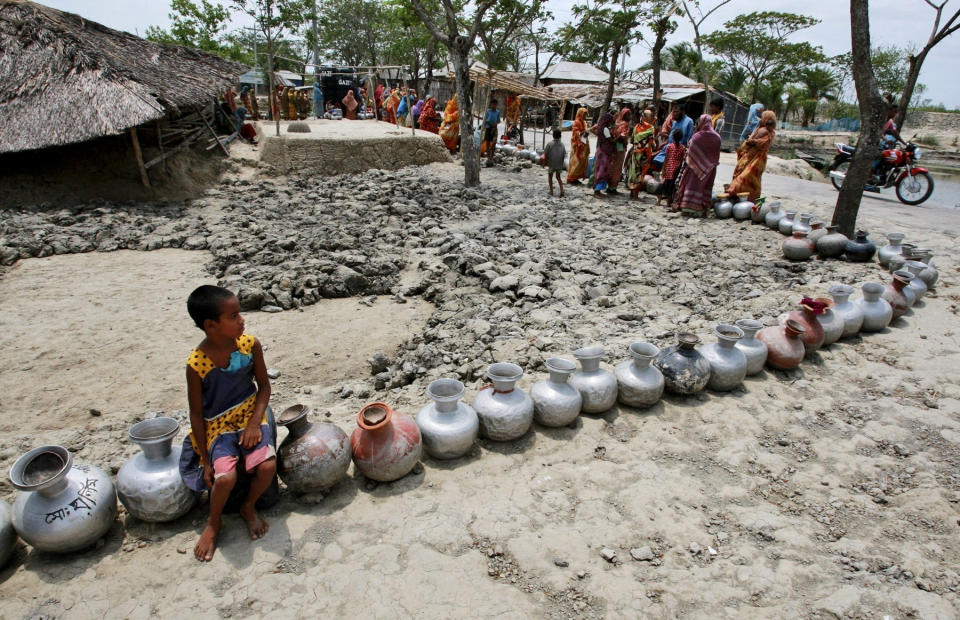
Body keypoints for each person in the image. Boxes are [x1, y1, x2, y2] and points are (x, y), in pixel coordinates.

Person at [180, 286, 277, 562]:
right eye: (233, 316)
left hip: (250, 416)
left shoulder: (250, 345)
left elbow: (264, 388)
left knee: (267, 465)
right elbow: (197, 415)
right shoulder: (197, 365)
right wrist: (205, 460)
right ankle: (213, 522)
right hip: (218, 427)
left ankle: (248, 507)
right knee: (225, 478)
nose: (241, 320)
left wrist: (254, 424)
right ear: (211, 325)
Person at [674, 114, 722, 217]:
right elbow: (716, 155)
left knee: (693, 186)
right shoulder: (717, 137)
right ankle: (702, 209)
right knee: (704, 188)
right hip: (709, 169)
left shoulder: (697, 137)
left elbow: (690, 152)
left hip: (694, 167)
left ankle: (688, 208)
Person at [727, 110, 777, 200]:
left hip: (754, 157)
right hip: (760, 159)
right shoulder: (771, 132)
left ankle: (735, 192)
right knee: (753, 179)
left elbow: (754, 142)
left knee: (744, 175)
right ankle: (750, 197)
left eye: (762, 117)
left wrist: (750, 141)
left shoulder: (763, 130)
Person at [626, 107, 657, 200]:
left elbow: (631, 140)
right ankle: (636, 194)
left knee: (633, 172)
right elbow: (652, 142)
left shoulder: (636, 127)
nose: (652, 117)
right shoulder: (651, 128)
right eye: (651, 116)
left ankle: (632, 192)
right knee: (641, 173)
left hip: (635, 153)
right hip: (644, 154)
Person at [657, 128, 686, 208]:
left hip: (668, 168)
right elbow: (681, 159)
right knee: (671, 187)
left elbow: (666, 158)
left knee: (662, 185)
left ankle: (659, 201)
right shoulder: (682, 148)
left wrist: (663, 168)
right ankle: (668, 203)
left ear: (673, 137)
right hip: (676, 170)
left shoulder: (669, 146)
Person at [590, 110, 615, 198]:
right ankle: (597, 191)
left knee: (599, 169)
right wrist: (619, 137)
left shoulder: (601, 127)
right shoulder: (605, 129)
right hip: (605, 151)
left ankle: (597, 189)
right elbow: (611, 140)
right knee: (602, 170)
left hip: (601, 150)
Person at [607, 107, 632, 194]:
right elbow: (623, 135)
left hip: (614, 146)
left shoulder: (616, 123)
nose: (629, 116)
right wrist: (621, 138)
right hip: (620, 147)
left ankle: (609, 185)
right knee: (617, 166)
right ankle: (612, 187)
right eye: (628, 114)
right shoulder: (625, 124)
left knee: (613, 165)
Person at [566, 108, 590, 185]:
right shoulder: (576, 122)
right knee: (576, 161)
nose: (585, 115)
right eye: (584, 114)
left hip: (583, 143)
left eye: (586, 114)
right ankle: (571, 178)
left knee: (582, 161)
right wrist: (582, 133)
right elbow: (575, 132)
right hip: (577, 145)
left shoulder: (584, 122)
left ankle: (576, 178)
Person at [544, 128, 567, 197]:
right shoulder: (562, 145)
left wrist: (544, 163)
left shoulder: (549, 144)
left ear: (553, 135)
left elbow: (545, 153)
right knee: (558, 177)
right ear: (560, 136)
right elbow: (565, 154)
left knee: (550, 177)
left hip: (551, 164)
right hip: (559, 164)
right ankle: (562, 190)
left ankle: (551, 191)